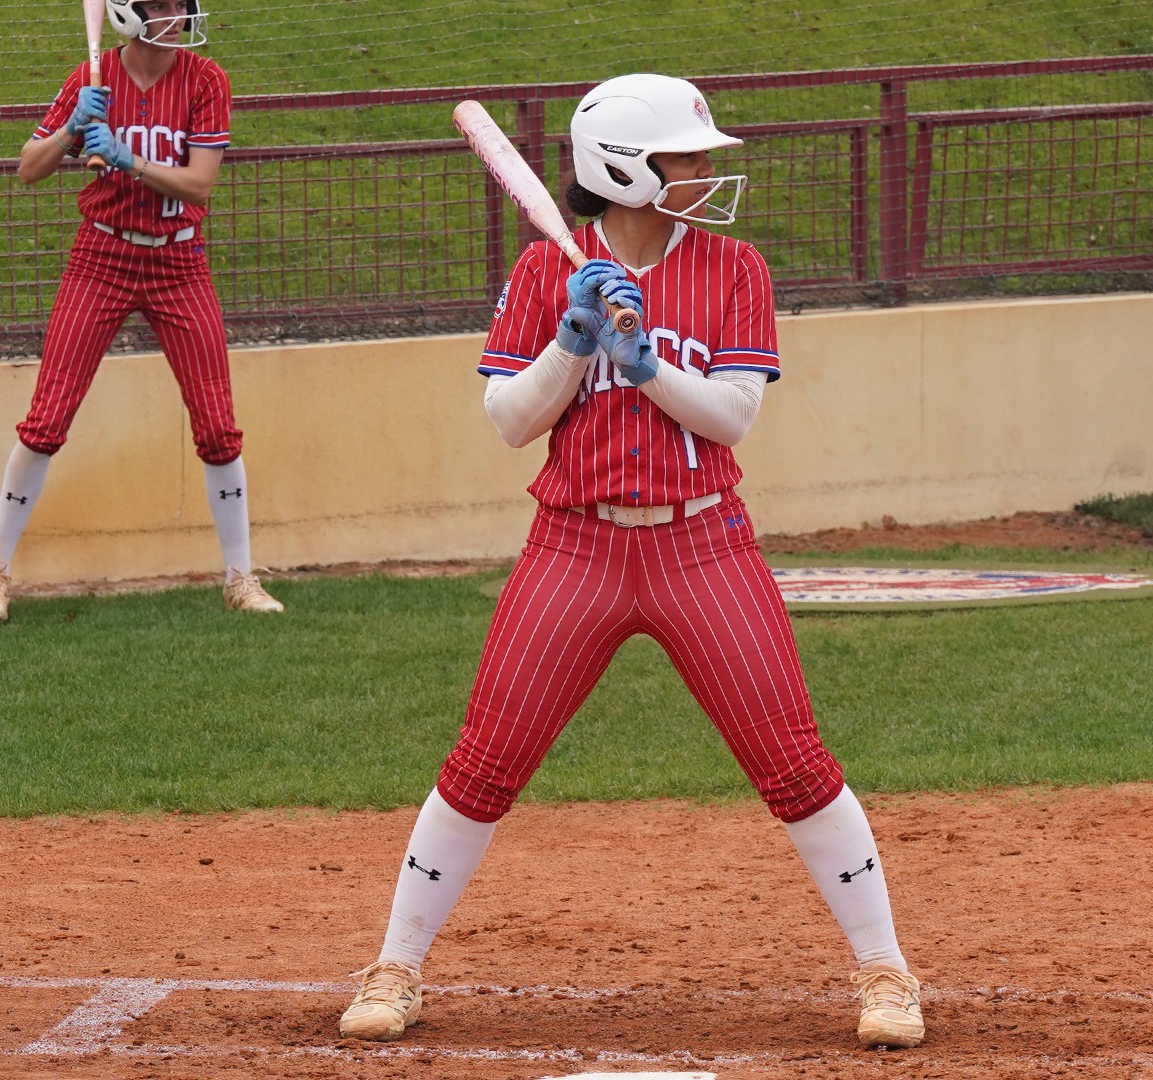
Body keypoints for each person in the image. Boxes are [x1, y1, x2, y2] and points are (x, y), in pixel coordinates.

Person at [335, 74, 924, 1051]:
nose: (703, 173)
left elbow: (734, 416)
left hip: (703, 545)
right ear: (621, 170)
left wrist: (646, 361)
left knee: (792, 758)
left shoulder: (736, 268)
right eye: (684, 160)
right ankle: (394, 965)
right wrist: (573, 343)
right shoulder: (542, 277)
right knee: (486, 760)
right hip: (576, 546)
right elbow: (511, 424)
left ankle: (886, 972)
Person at [0, 0, 283, 621]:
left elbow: (198, 184)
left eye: (179, 5)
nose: (175, 14)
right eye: (160, 4)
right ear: (126, 11)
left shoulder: (205, 79)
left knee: (217, 424)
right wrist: (71, 132)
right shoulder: (90, 78)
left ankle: (241, 579)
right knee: (48, 418)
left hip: (179, 262)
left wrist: (127, 156)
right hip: (102, 256)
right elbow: (28, 169)